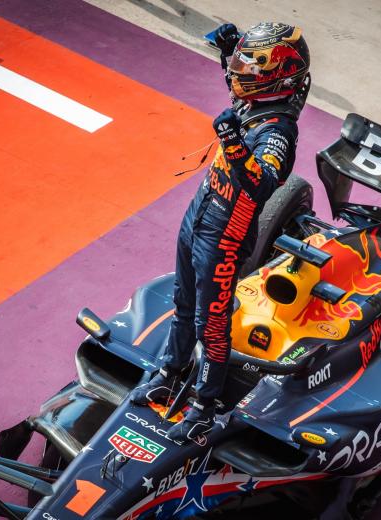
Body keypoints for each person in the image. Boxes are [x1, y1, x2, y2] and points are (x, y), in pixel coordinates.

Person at [132, 22, 311, 443]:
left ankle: (202, 406)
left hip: (226, 235)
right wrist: (228, 52)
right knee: (184, 303)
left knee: (210, 325)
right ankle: (168, 373)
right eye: (238, 62)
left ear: (274, 75)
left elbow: (264, 184)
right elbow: (237, 90)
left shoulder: (279, 131)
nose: (236, 71)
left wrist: (231, 142)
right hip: (200, 215)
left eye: (248, 63)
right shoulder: (256, 101)